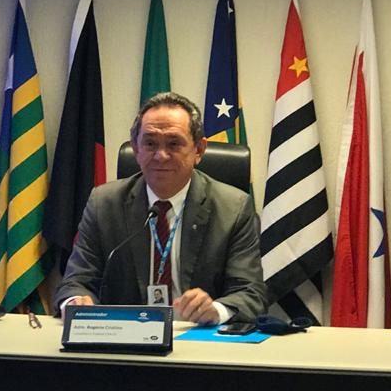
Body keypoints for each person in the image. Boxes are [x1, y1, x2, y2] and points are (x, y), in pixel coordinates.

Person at [54, 92, 270, 324]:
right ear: (136, 149)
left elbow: (251, 293)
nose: (161, 155)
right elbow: (76, 281)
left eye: (174, 144)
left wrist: (215, 310)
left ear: (199, 150)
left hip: (196, 336)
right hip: (125, 337)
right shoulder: (104, 203)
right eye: (150, 144)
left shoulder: (234, 208)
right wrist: (75, 301)